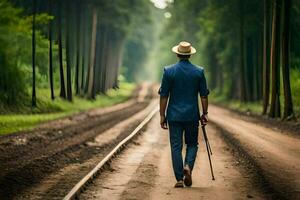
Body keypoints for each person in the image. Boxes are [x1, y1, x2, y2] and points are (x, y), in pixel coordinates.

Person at [158, 41, 209, 188]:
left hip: (174, 115)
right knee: (192, 144)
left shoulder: (169, 71)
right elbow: (204, 95)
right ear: (190, 55)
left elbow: (164, 95)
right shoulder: (199, 72)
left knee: (176, 146)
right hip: (192, 115)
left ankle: (179, 179)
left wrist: (162, 115)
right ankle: (188, 166)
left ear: (177, 54)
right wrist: (204, 113)